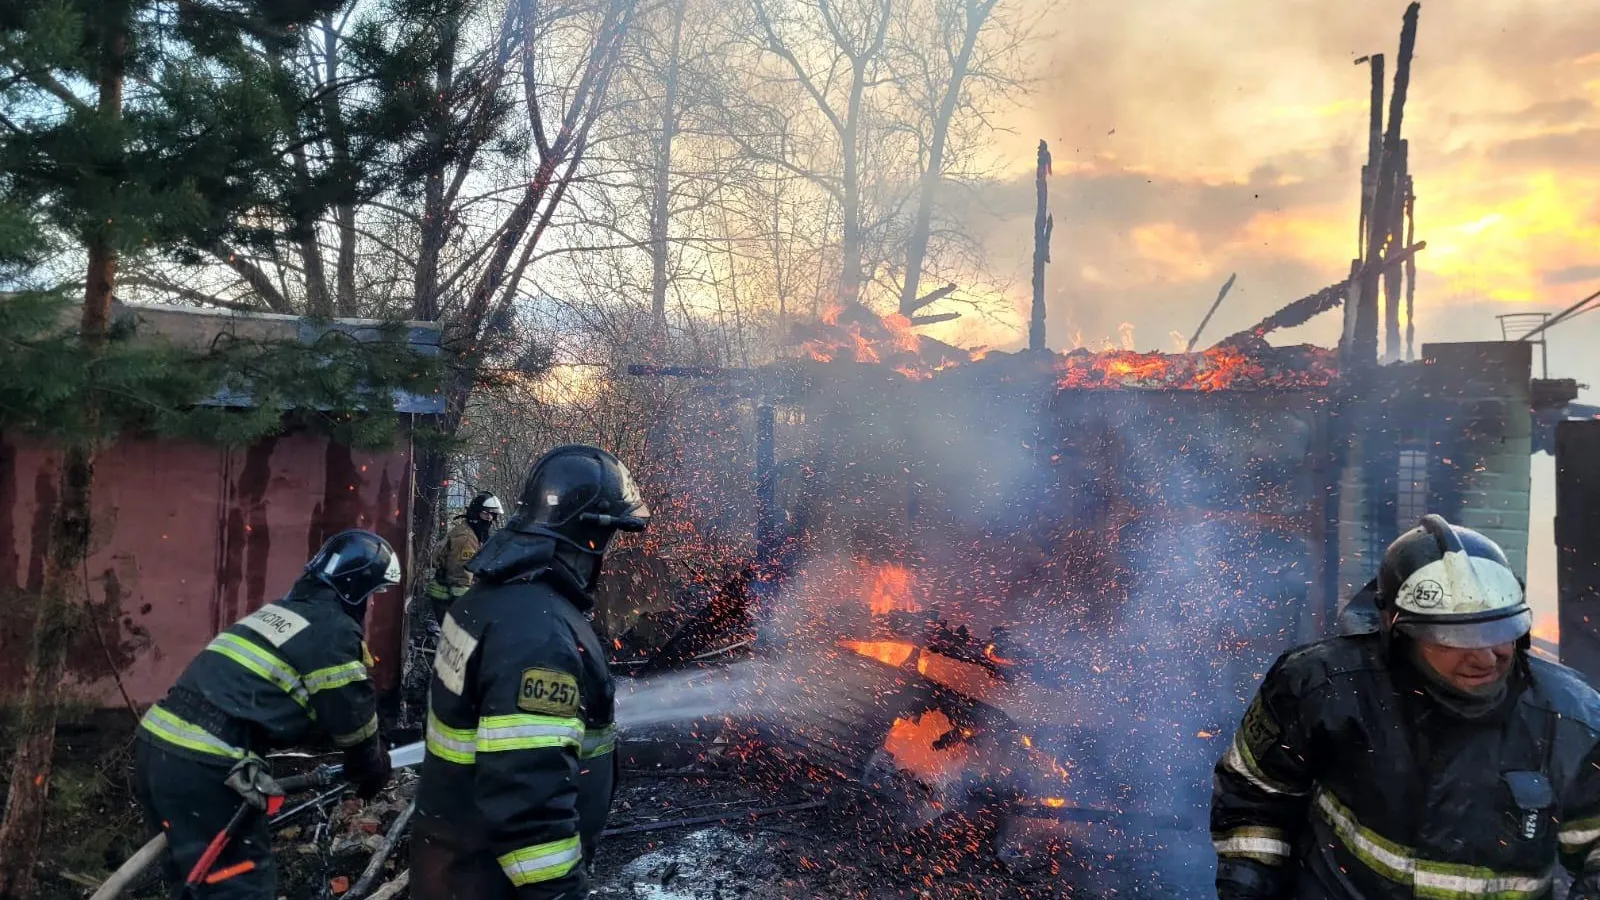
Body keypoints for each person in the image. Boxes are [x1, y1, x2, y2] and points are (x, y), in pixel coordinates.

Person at [1211, 514, 1600, 899]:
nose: (1485, 658)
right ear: (1398, 634)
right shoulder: (1323, 688)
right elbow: (1256, 797)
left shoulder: (1573, 721)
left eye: (1498, 632)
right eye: (1453, 640)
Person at [412, 445, 648, 900]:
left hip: (454, 861)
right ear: (587, 534)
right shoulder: (539, 637)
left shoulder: (488, 599)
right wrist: (559, 892)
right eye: (609, 536)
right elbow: (528, 804)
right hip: (491, 883)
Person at [133, 529, 399, 898]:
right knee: (240, 887)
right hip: (207, 767)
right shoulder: (333, 631)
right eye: (372, 594)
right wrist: (371, 765)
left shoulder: (279, 614)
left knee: (195, 882)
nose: (370, 604)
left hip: (156, 748)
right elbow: (353, 719)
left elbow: (269, 698)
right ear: (356, 590)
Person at [426, 491, 504, 625]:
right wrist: (469, 609)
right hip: (447, 598)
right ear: (476, 513)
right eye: (486, 513)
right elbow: (460, 578)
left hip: (449, 596)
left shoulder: (471, 532)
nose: (489, 518)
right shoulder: (466, 538)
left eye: (492, 515)